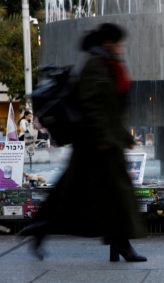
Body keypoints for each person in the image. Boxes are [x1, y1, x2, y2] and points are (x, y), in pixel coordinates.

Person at [19, 23, 147, 262]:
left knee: (108, 196)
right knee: (75, 196)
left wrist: (123, 136)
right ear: (108, 43)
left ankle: (120, 245)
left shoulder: (108, 64)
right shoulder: (96, 65)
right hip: (95, 146)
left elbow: (112, 108)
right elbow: (91, 105)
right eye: (119, 43)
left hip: (105, 144)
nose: (122, 47)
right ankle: (40, 229)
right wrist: (104, 138)